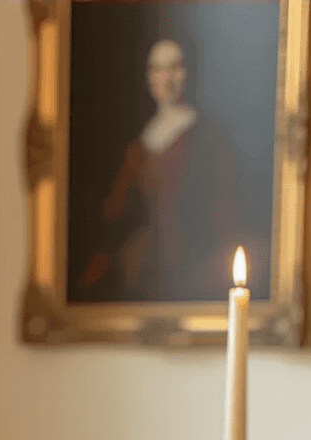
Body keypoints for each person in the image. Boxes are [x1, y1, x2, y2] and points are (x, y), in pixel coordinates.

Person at [80, 40, 239, 302]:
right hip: (143, 266)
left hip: (191, 263)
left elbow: (223, 209)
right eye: (158, 69)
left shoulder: (209, 139)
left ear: (188, 73)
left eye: (175, 67)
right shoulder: (141, 141)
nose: (167, 78)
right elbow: (117, 209)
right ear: (149, 77)